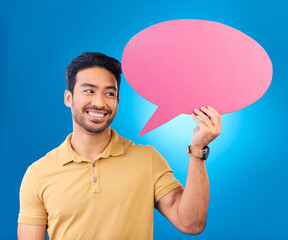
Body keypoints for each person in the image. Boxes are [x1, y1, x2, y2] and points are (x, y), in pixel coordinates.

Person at [18, 52, 221, 240]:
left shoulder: (146, 159)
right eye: (89, 91)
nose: (99, 102)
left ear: (117, 102)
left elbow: (191, 224)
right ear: (68, 98)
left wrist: (198, 149)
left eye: (109, 94)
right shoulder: (39, 174)